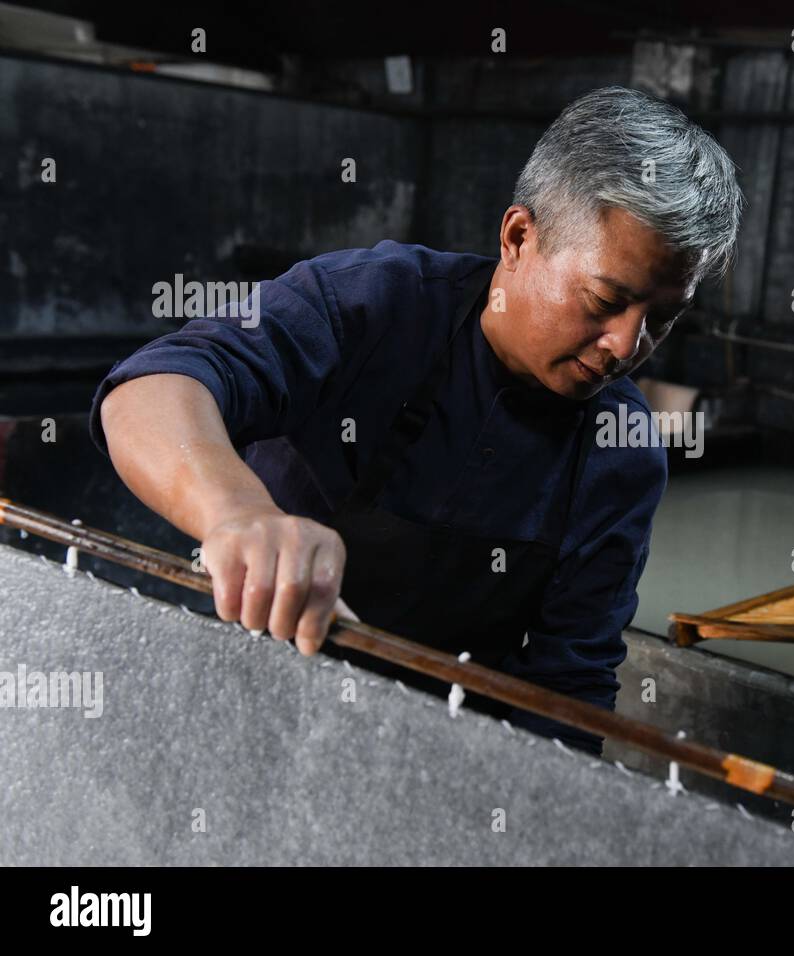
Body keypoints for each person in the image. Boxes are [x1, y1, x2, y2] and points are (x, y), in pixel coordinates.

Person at [90, 86, 744, 755]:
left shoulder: (622, 452)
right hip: (235, 691)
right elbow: (151, 388)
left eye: (661, 319)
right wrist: (239, 515)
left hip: (422, 751)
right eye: (607, 299)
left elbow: (567, 687)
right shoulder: (372, 304)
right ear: (520, 237)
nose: (627, 347)